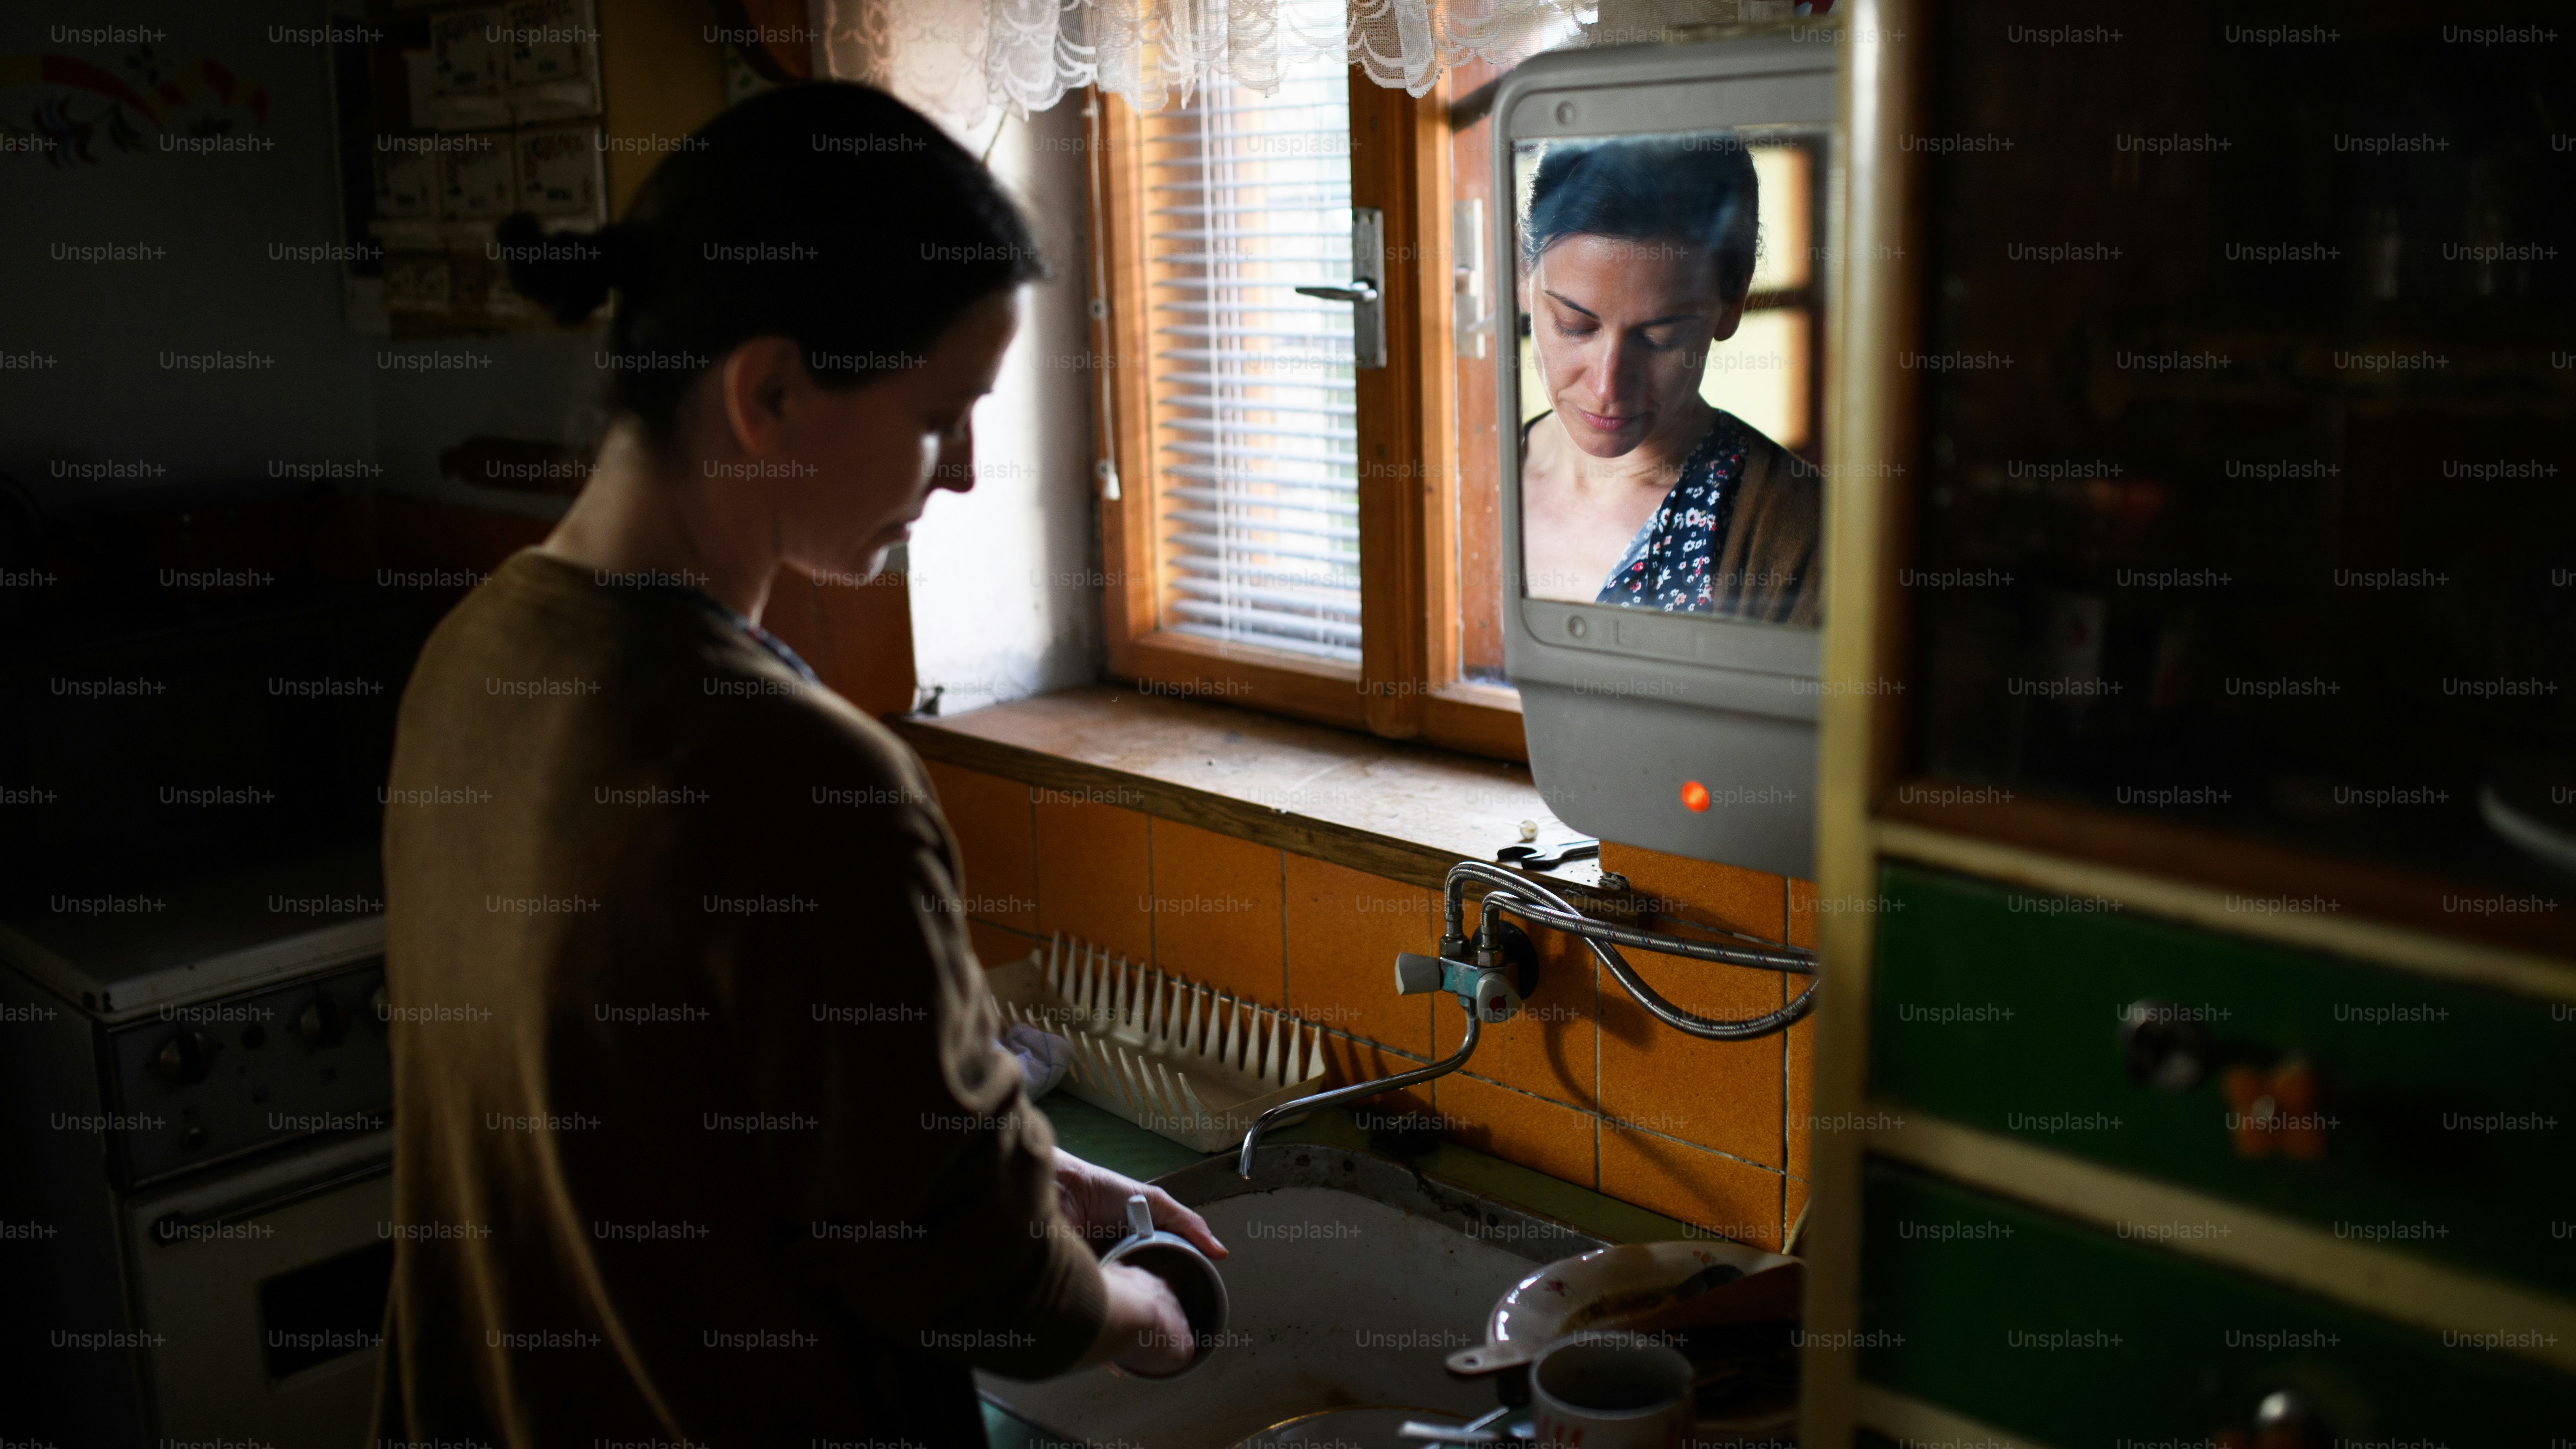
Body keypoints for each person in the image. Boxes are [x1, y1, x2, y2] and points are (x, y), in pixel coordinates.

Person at [373, 82, 1221, 1449]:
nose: (958, 475)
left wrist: (1012, 1171)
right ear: (767, 392)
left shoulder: (475, 655)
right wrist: (1132, 1305)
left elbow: (691, 1113)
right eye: (943, 411)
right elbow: (973, 1285)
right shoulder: (799, 776)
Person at [1517, 134, 1821, 623]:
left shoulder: (1803, 530)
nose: (1607, 388)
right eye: (1575, 326)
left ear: (1733, 302)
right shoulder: (1464, 487)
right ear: (1521, 272)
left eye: (1660, 337)